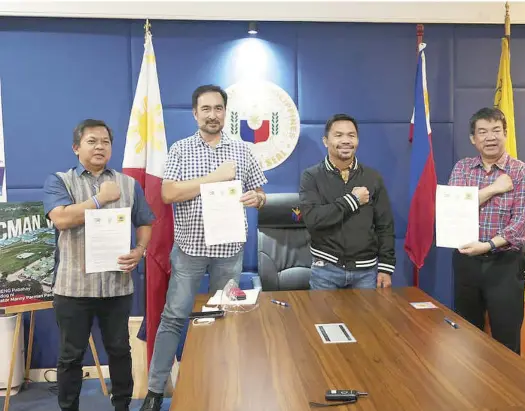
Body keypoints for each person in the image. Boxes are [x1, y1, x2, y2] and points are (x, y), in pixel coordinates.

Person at [140, 84, 268, 411]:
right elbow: (168, 194)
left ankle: (223, 385)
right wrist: (215, 177)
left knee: (224, 317)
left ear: (226, 112)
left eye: (218, 108)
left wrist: (258, 198)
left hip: (229, 251)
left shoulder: (242, 150)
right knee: (174, 316)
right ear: (195, 113)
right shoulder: (181, 149)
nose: (213, 114)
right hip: (189, 250)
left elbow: (259, 193)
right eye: (206, 109)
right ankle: (155, 392)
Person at [43, 119, 155, 411]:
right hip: (73, 289)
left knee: (120, 351)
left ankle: (122, 406)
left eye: (105, 141)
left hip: (117, 286)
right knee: (70, 356)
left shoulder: (129, 184)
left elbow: (145, 222)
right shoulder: (59, 181)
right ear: (76, 147)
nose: (100, 147)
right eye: (92, 141)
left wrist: (140, 249)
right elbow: (62, 219)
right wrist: (99, 199)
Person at [448, 107, 525, 354]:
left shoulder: (522, 172)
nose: (490, 137)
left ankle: (507, 392)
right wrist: (494, 189)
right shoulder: (463, 168)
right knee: (466, 335)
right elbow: (452, 208)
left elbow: (521, 224)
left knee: (506, 339)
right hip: (467, 261)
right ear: (473, 138)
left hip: (505, 264)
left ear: (506, 133)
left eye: (496, 130)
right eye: (483, 132)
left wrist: (487, 245)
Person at [299, 113, 396, 290]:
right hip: (325, 271)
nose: (346, 140)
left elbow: (385, 226)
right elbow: (313, 219)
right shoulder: (311, 176)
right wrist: (352, 200)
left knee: (365, 319)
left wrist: (385, 268)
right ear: (325, 141)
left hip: (366, 273)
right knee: (324, 319)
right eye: (338, 135)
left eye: (351, 135)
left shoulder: (372, 177)